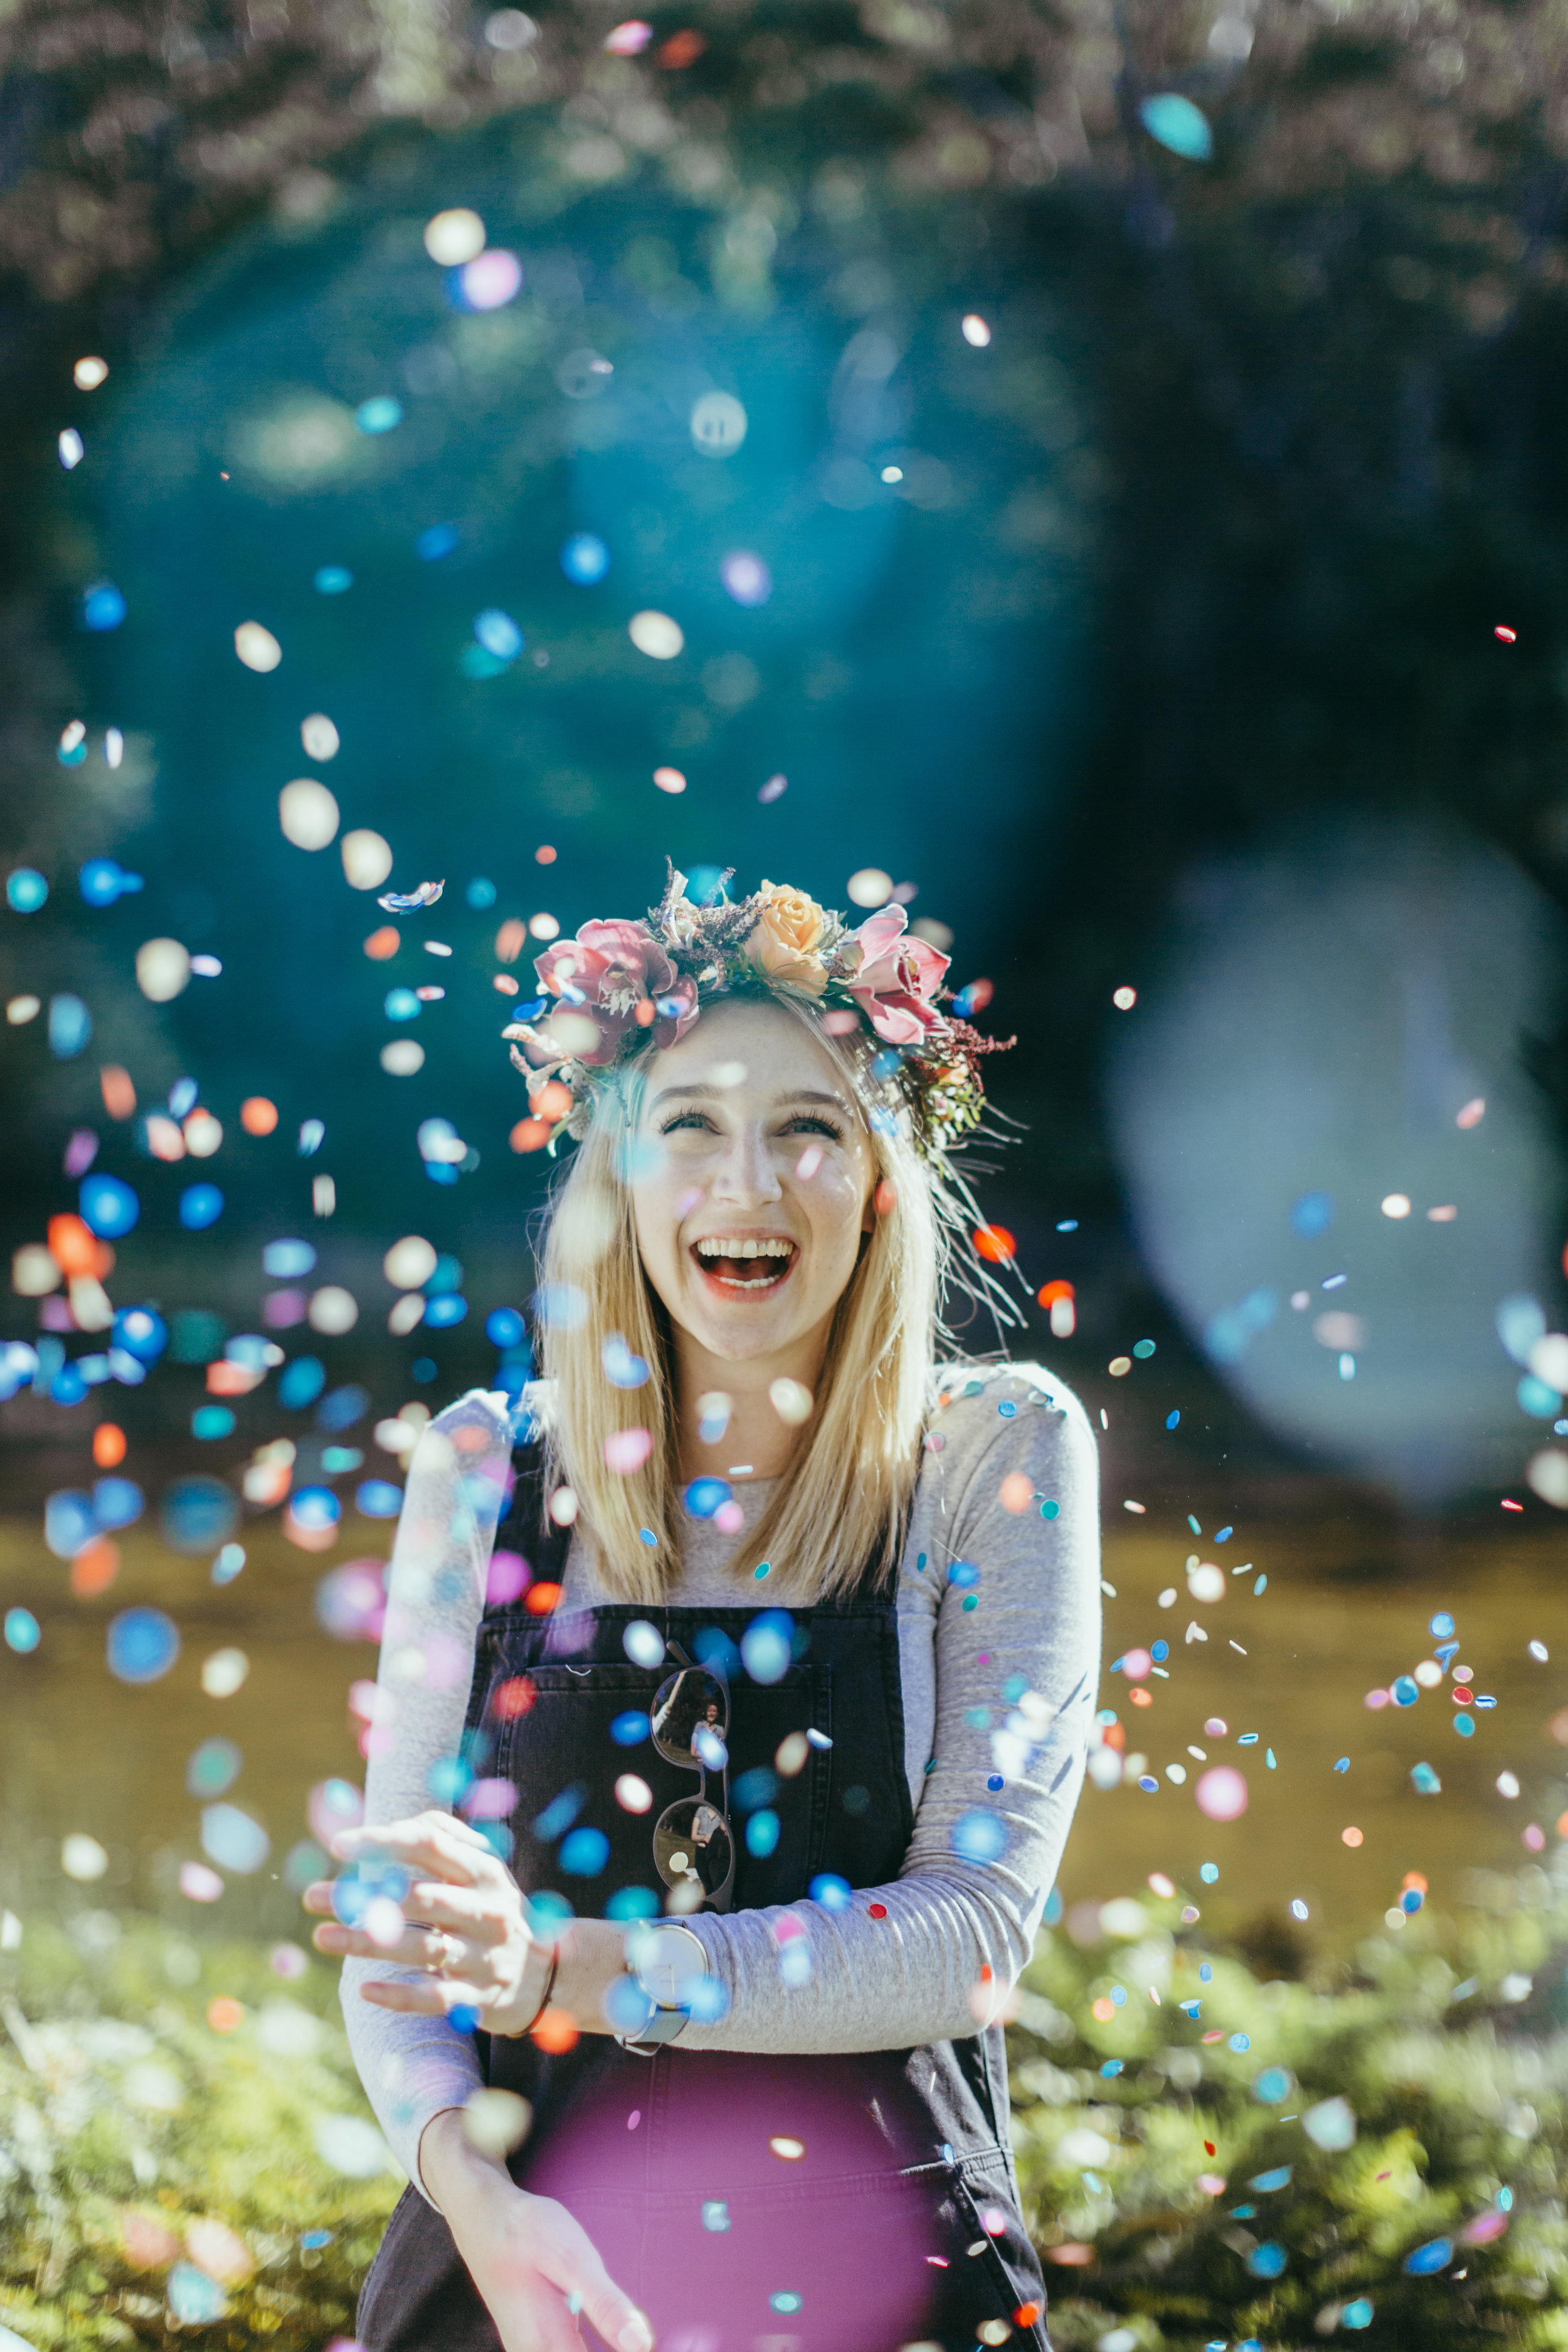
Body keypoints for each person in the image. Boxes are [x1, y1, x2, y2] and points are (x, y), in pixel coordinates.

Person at [306, 868, 1101, 2352]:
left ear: (879, 1177)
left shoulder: (989, 1451)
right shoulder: (485, 1470)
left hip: (890, 2276)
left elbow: (971, 1939)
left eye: (807, 1126)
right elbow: (401, 1948)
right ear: (615, 1171)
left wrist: (562, 1971)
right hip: (520, 2272)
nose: (747, 1184)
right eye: (689, 1128)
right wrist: (479, 2205)